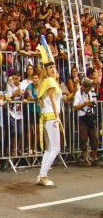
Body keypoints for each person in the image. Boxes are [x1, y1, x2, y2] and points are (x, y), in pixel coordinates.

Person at [37, 51, 62, 187]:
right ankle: (43, 175)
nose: (53, 69)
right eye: (50, 67)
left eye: (54, 67)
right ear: (46, 70)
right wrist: (58, 117)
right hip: (52, 117)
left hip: (46, 116)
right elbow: (53, 101)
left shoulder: (44, 82)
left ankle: (42, 174)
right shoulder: (50, 81)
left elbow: (42, 102)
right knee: (55, 148)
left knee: (49, 149)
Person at [73, 78, 98, 166]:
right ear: (83, 87)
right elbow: (75, 107)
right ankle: (84, 158)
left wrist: (91, 104)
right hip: (82, 117)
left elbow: (93, 103)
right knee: (84, 139)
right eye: (88, 89)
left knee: (94, 138)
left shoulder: (90, 93)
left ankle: (94, 158)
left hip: (90, 116)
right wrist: (84, 104)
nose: (89, 90)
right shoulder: (78, 94)